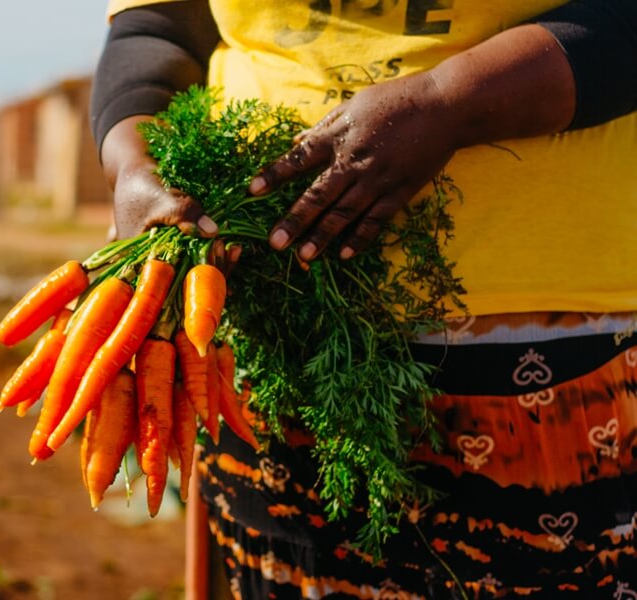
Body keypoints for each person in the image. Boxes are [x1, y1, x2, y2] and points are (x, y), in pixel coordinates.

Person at [89, 1, 637, 597]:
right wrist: (131, 162)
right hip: (261, 337)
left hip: (549, 339)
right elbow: (160, 26)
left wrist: (450, 102)